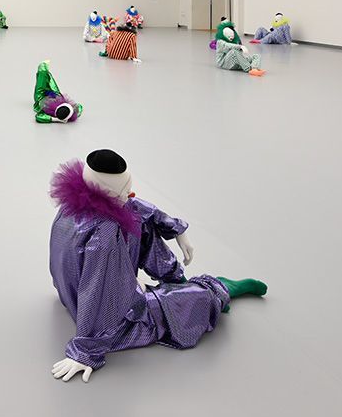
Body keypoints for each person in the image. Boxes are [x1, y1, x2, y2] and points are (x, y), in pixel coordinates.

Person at [48, 149, 267, 382]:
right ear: (107, 191)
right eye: (123, 192)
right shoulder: (105, 232)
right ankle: (217, 289)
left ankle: (176, 281)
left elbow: (136, 208)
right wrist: (85, 351)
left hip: (72, 297)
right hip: (109, 316)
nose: (129, 194)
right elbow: (98, 289)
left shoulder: (73, 208)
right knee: (192, 303)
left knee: (138, 223)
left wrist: (177, 230)